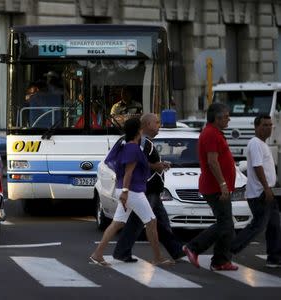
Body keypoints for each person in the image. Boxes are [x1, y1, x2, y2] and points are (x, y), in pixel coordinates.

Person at [89, 118, 171, 266]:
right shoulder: (133, 148)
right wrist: (126, 193)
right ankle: (158, 258)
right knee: (151, 221)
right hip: (132, 191)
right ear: (139, 130)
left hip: (126, 190)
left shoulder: (128, 146)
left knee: (117, 223)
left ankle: (97, 254)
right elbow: (129, 172)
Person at [113, 113, 184, 262]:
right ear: (146, 125)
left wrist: (158, 165)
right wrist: (157, 166)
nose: (159, 125)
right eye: (156, 123)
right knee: (141, 222)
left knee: (161, 221)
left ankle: (177, 251)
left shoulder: (144, 142)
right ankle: (122, 251)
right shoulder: (142, 143)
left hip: (152, 189)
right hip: (147, 188)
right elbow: (136, 164)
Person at [182, 103, 238, 271]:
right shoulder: (211, 134)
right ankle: (193, 247)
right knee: (225, 224)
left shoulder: (215, 133)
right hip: (215, 187)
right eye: (227, 116)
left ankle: (220, 261)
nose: (229, 119)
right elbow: (212, 162)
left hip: (218, 187)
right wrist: (222, 184)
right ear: (217, 118)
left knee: (226, 225)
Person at [230, 114, 281, 268]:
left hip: (267, 192)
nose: (268, 128)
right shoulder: (255, 143)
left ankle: (274, 257)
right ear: (256, 127)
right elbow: (258, 167)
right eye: (264, 125)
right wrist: (266, 188)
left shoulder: (262, 144)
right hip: (260, 194)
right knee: (257, 227)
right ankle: (228, 251)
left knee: (274, 225)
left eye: (270, 125)